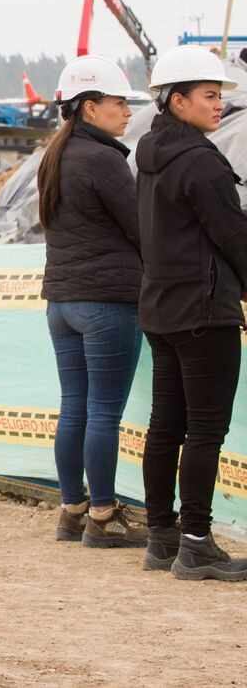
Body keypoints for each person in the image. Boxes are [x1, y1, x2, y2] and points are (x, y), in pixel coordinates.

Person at [134, 44, 247, 581]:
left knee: (166, 426)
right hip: (204, 312)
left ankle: (162, 536)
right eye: (208, 95)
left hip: (162, 309)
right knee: (205, 430)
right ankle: (197, 542)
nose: (218, 104)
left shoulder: (149, 156)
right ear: (176, 100)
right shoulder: (202, 162)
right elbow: (234, 237)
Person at [36, 56, 150, 548]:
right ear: (87, 107)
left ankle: (72, 510)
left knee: (75, 407)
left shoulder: (55, 156)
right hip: (107, 301)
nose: (126, 111)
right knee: (103, 411)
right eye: (118, 102)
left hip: (62, 303)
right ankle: (103, 517)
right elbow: (140, 227)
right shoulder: (104, 160)